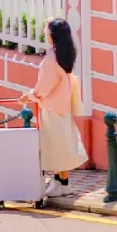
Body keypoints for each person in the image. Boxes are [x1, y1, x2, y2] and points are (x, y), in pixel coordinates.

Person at [23, 17, 86, 196]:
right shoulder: (65, 54)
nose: (44, 31)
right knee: (62, 142)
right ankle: (60, 180)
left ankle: (62, 183)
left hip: (52, 106)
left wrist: (29, 96)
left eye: (46, 28)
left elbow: (45, 85)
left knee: (56, 145)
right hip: (62, 104)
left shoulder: (52, 59)